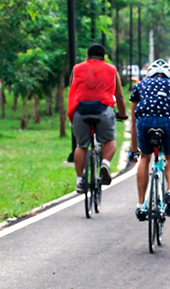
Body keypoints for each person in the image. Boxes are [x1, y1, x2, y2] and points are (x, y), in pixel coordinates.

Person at [128, 59, 170, 221]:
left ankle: (141, 205)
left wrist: (134, 151)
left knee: (145, 157)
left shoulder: (140, 86)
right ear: (169, 75)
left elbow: (133, 123)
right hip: (168, 123)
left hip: (145, 122)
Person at [67, 44, 128, 193]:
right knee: (110, 140)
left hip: (81, 111)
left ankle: (80, 181)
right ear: (104, 57)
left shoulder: (77, 69)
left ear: (87, 57)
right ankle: (105, 164)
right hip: (103, 111)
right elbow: (119, 96)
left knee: (81, 146)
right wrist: (122, 114)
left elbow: (72, 89)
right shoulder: (112, 70)